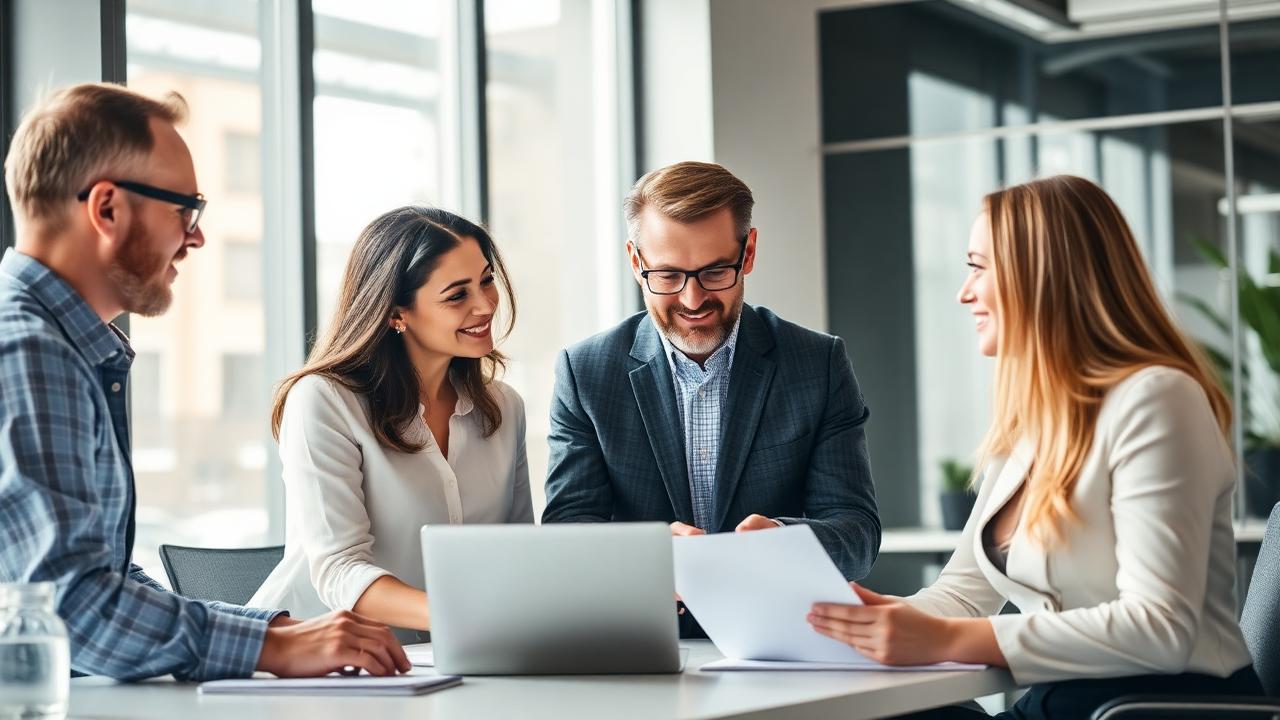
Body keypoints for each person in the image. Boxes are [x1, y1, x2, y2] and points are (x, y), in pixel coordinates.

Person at [806, 175, 1265, 719]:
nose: (964, 291)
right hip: (1064, 702)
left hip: (1153, 708)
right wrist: (865, 616)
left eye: (978, 266)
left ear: (1041, 275)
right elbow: (961, 595)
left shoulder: (1158, 398)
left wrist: (946, 640)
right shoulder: (1032, 422)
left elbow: (1161, 626)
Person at [0, 83, 408, 680]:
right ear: (107, 208)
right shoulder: (28, 351)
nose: (196, 237)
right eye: (184, 209)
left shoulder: (65, 347)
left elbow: (100, 577)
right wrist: (274, 647)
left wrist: (280, 630)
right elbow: (70, 610)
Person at [542, 161, 881, 637]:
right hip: (638, 642)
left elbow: (857, 534)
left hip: (783, 640)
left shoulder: (817, 363)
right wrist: (647, 554)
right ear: (636, 261)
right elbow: (565, 535)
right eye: (668, 275)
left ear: (749, 252)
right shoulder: (587, 372)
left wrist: (784, 542)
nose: (693, 299)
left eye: (715, 271)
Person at [250, 206, 532, 640]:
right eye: (457, 295)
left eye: (487, 280)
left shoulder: (502, 408)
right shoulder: (325, 401)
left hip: (453, 655)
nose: (485, 305)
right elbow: (340, 569)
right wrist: (467, 615)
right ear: (396, 313)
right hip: (318, 661)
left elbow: (518, 553)